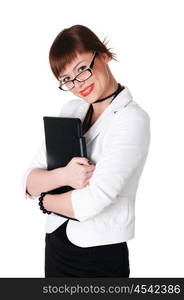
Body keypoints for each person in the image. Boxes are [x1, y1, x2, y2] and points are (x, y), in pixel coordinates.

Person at [23, 24, 151, 278]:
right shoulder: (71, 111)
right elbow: (28, 180)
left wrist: (45, 200)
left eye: (82, 69)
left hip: (98, 256)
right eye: (67, 79)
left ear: (103, 55)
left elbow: (93, 201)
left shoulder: (131, 119)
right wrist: (64, 178)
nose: (78, 84)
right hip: (56, 244)